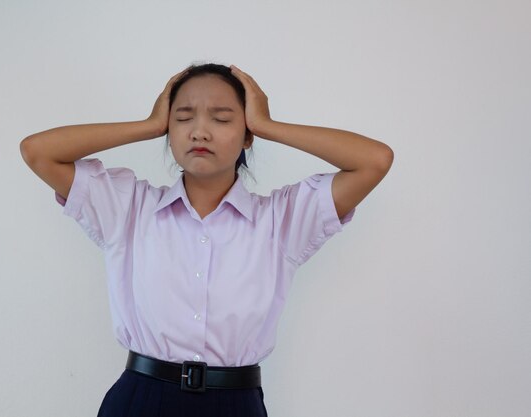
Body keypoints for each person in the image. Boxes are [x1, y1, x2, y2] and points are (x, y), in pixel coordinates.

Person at [20, 62, 393, 416]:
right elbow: (38, 152)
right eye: (182, 118)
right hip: (140, 399)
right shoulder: (127, 207)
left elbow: (374, 160)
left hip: (235, 404)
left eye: (222, 118)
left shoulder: (282, 220)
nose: (199, 131)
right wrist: (148, 124)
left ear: (247, 133)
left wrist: (268, 124)